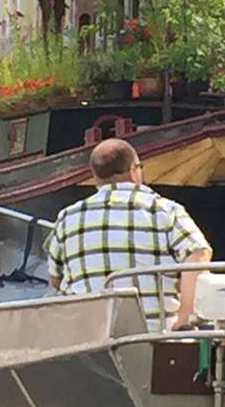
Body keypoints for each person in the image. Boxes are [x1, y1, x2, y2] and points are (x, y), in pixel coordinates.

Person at [45, 138, 212, 328]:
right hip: (154, 336)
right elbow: (198, 253)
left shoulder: (67, 217)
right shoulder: (165, 210)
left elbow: (55, 278)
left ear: (95, 175)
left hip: (87, 338)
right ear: (134, 170)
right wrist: (185, 317)